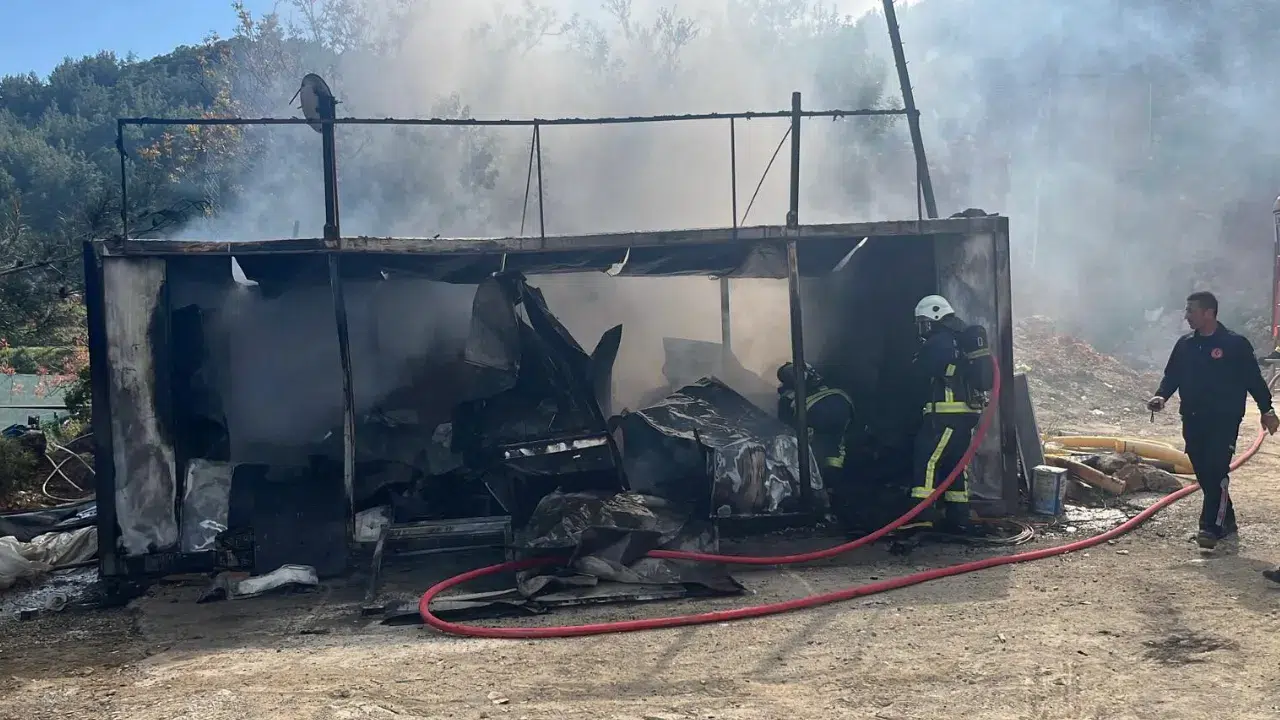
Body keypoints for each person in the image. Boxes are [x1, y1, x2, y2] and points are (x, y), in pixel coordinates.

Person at [1147, 291, 1279, 550]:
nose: (1186, 317)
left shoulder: (1235, 344)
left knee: (1217, 469)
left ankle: (1210, 527)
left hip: (1224, 418)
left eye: (1191, 311)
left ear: (1209, 313)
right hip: (1193, 417)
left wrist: (1267, 409)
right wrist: (1161, 396)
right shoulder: (1185, 344)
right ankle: (1226, 518)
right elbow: (1172, 375)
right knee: (1204, 470)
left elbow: (1254, 379)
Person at [909, 294, 991, 532]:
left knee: (927, 460)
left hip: (945, 416)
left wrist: (917, 361)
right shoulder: (959, 340)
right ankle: (958, 515)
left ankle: (921, 515)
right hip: (963, 416)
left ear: (935, 316)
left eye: (924, 322)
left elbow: (924, 369)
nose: (923, 329)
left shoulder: (940, 341)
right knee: (955, 465)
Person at [777, 361, 854, 481]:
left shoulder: (787, 398)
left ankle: (828, 479)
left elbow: (784, 424)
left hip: (818, 417)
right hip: (842, 407)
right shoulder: (828, 380)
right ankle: (832, 477)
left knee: (823, 450)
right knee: (836, 447)